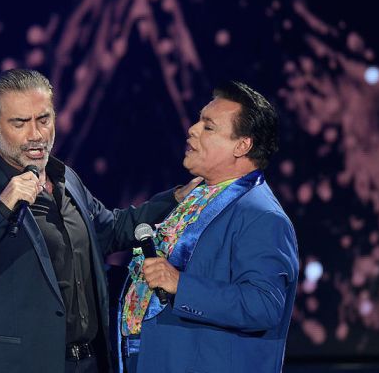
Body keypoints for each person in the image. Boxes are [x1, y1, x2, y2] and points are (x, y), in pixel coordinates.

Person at [0, 69, 189, 373]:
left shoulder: (66, 178)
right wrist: (2, 206)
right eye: (20, 123)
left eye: (44, 119)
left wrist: (177, 198)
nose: (36, 134)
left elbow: (111, 230)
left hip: (90, 362)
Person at [118, 81, 299, 373]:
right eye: (198, 121)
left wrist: (180, 284)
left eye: (208, 127)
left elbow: (263, 305)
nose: (192, 129)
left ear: (242, 145)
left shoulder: (262, 215)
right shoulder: (195, 196)